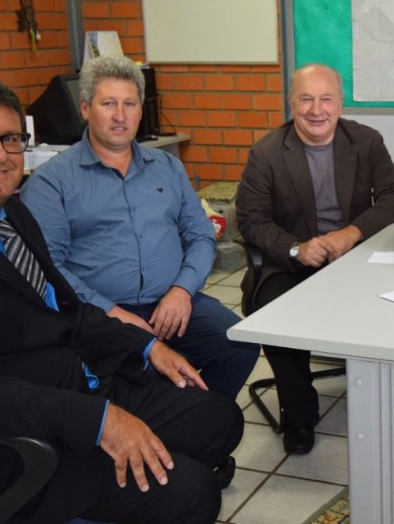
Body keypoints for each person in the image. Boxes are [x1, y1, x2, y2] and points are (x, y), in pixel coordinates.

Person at [0, 71, 243, 523]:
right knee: (194, 492)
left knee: (219, 419)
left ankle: (154, 466)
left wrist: (145, 346)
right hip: (3, 451)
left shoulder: (8, 214)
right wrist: (99, 421)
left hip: (66, 390)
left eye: (11, 139)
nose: (0, 155)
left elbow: (67, 309)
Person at [22, 56, 259, 401]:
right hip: (97, 313)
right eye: (108, 104)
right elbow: (47, 268)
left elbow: (200, 235)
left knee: (238, 344)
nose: (120, 116)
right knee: (138, 378)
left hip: (172, 302)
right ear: (86, 108)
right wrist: (111, 312)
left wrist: (182, 290)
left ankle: (198, 422)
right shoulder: (51, 182)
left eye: (130, 104)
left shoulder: (168, 167)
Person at [235, 63, 394, 454]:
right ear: (291, 103)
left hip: (353, 258)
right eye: (306, 99)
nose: (317, 110)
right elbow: (251, 221)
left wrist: (350, 233)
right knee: (275, 312)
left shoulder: (365, 141)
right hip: (291, 263)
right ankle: (299, 414)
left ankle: (386, 398)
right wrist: (297, 248)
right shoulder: (266, 154)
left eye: (326, 99)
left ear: (340, 103)